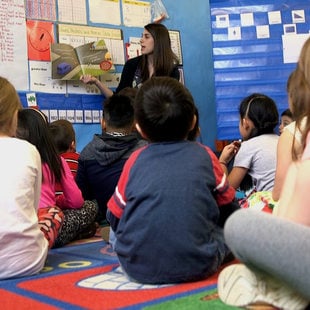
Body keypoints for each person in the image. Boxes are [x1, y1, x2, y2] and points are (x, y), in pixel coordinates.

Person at [106, 76, 239, 284]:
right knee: (231, 232)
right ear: (193, 121)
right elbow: (230, 212)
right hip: (198, 263)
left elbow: (113, 217)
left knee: (115, 235)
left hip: (136, 267)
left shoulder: (135, 159)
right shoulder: (205, 155)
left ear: (139, 127)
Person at [217, 37, 310, 310]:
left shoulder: (290, 137)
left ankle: (272, 289)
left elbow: (228, 188)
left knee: (236, 222)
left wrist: (222, 163)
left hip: (292, 231)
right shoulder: (283, 138)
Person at [16, 108, 98, 248]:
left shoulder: (12, 159)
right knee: (91, 206)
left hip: (17, 229)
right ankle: (75, 233)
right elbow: (77, 201)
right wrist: (59, 202)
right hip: (49, 225)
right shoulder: (56, 161)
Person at [0, 77, 48, 279]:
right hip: (27, 260)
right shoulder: (28, 150)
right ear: (14, 116)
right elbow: (33, 208)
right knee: (51, 214)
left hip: (24, 258)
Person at [76, 88, 147, 224]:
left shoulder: (87, 153)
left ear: (103, 123)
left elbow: (82, 198)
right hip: (138, 221)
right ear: (134, 125)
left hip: (103, 222)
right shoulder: (145, 151)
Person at [80, 23, 180, 98]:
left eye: (146, 36)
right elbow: (118, 99)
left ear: (159, 41)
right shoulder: (132, 65)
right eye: (142, 36)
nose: (141, 40)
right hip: (132, 123)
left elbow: (169, 104)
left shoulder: (172, 71)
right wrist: (96, 82)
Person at [219, 93, 279, 194]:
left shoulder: (248, 146)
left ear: (245, 123)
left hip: (272, 205)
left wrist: (222, 162)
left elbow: (227, 192)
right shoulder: (282, 140)